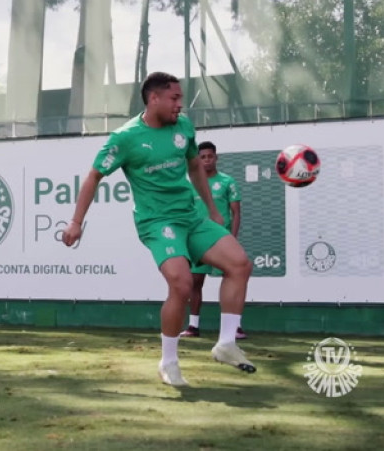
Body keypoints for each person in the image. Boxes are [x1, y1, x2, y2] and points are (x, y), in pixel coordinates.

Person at [62, 72, 256, 386]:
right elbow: (93, 177)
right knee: (181, 284)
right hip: (157, 222)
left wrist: (210, 209)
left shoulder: (184, 127)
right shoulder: (126, 138)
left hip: (191, 217)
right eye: (174, 98)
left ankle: (226, 344)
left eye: (181, 98)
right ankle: (168, 361)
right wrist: (75, 222)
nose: (180, 104)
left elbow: (194, 166)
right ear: (154, 99)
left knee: (240, 264)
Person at [179, 141, 248, 340]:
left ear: (216, 158)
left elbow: (236, 213)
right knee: (195, 282)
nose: (207, 160)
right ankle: (193, 326)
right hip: (199, 240)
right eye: (203, 157)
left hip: (222, 240)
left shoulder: (228, 182)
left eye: (210, 156)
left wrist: (232, 238)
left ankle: (235, 327)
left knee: (233, 278)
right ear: (198, 160)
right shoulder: (191, 184)